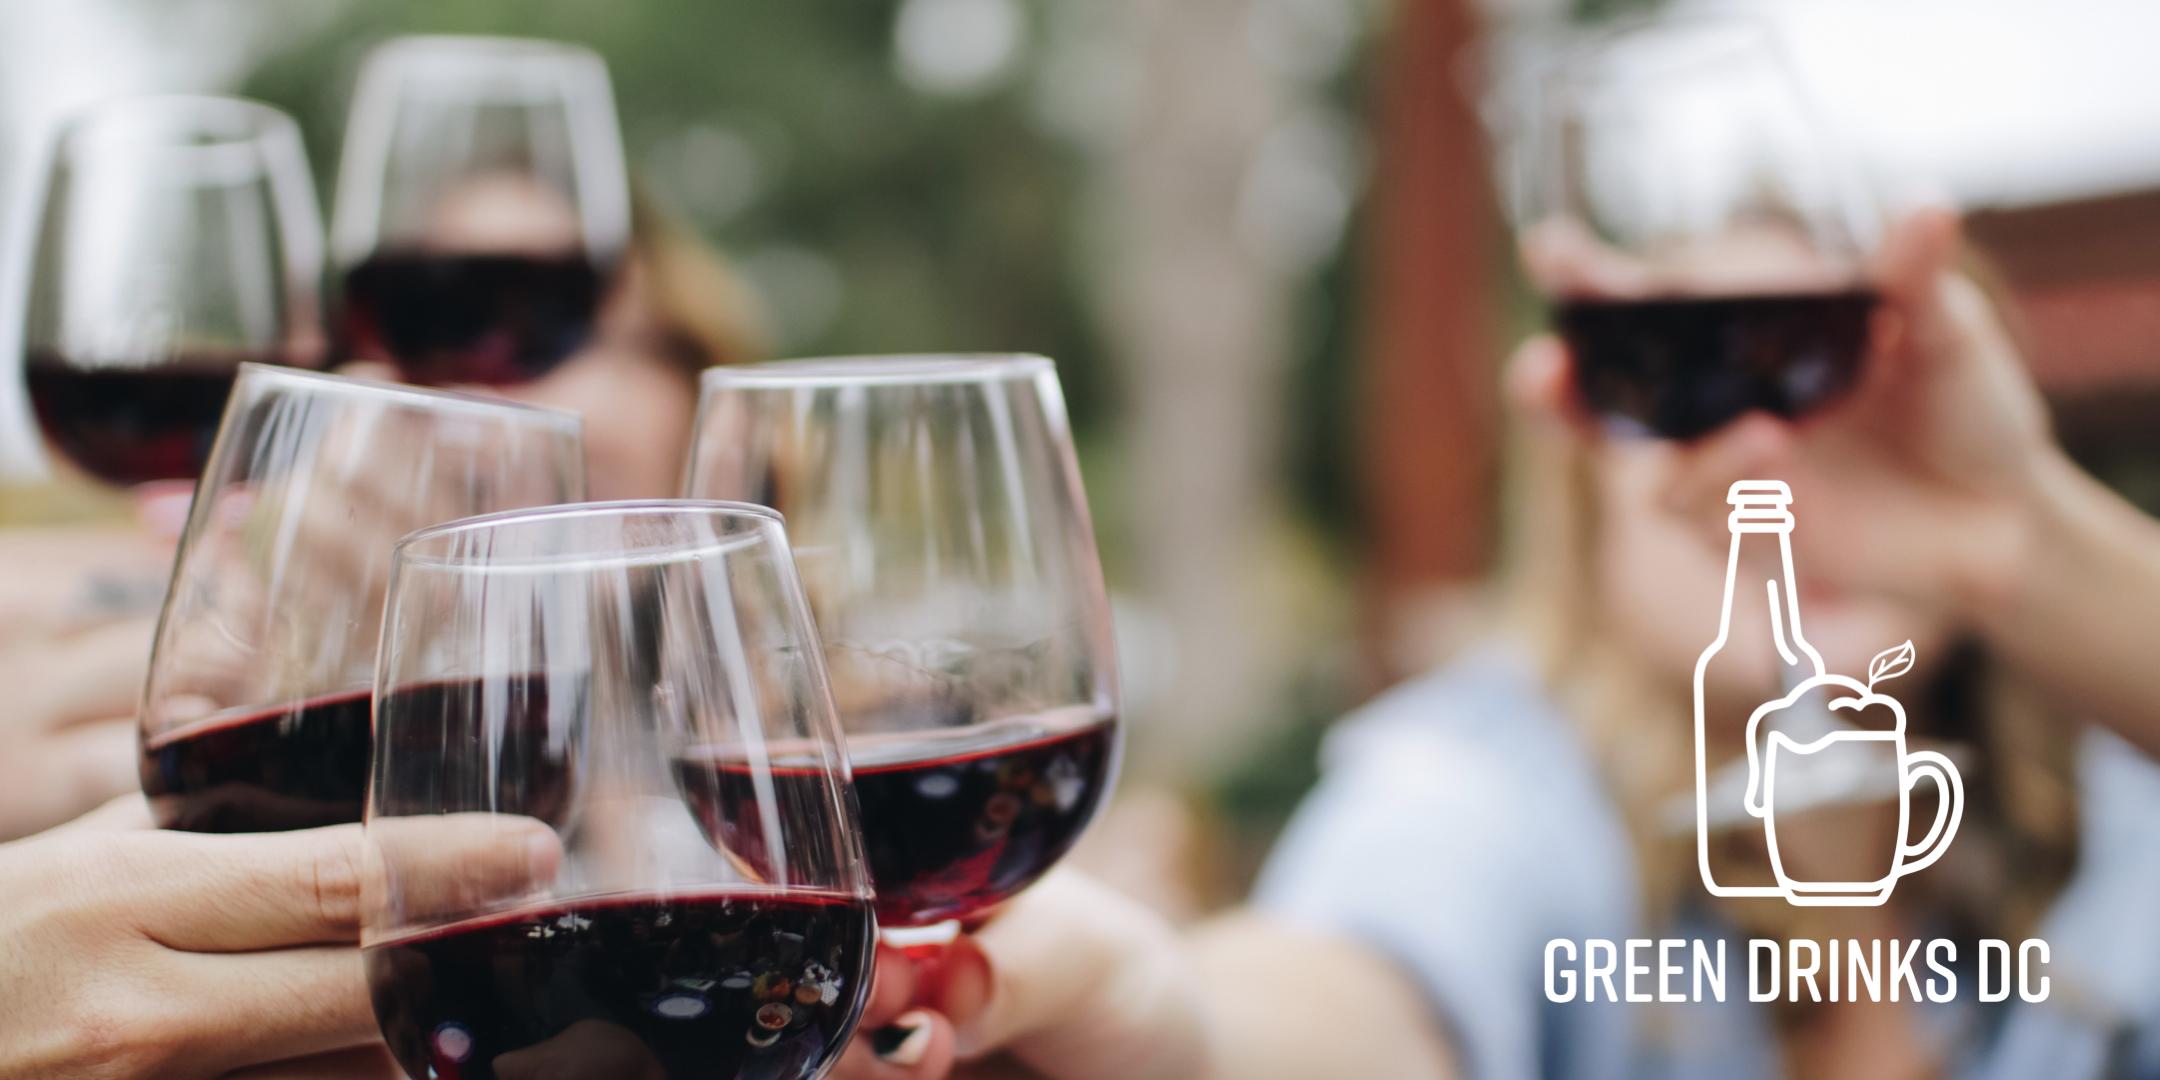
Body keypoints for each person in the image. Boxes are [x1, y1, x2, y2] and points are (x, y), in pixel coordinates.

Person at [878, 209, 2160, 1079]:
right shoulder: (1494, 779)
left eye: (1830, 396)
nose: (1776, 468)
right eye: (1700, 411)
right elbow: (1361, 983)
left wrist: (2014, 542)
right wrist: (1179, 1023)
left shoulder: (2115, 799)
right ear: (1588, 502)